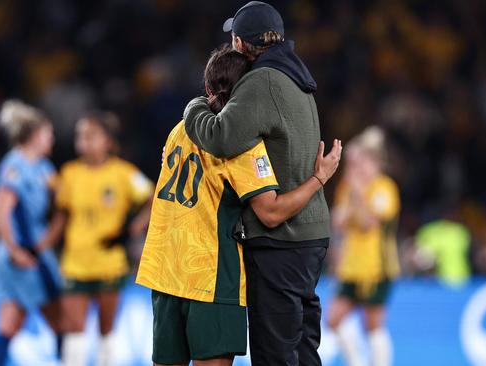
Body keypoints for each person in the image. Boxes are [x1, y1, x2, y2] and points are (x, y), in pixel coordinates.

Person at [136, 44, 341, 366]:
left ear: (207, 87)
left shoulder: (180, 129)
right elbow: (270, 213)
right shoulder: (240, 143)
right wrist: (319, 178)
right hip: (210, 276)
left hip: (164, 269)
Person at [183, 3, 332, 364]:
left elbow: (221, 136)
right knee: (302, 347)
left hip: (282, 237)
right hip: (309, 233)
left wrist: (193, 109)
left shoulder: (261, 80)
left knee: (274, 352)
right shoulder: (298, 76)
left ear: (239, 41)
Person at [48, 112, 154, 366]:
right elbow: (60, 218)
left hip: (109, 262)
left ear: (107, 141)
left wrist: (134, 228)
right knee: (74, 331)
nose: (83, 142)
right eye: (80, 136)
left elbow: (153, 198)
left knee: (107, 332)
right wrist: (43, 246)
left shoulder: (124, 173)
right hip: (75, 263)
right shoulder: (69, 173)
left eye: (90, 136)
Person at [0, 100, 63, 366]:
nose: (52, 138)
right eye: (48, 133)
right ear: (35, 135)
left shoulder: (44, 169)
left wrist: (49, 239)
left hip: (34, 251)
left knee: (11, 322)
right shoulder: (15, 166)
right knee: (59, 319)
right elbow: (0, 210)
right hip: (21, 255)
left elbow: (62, 210)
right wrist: (15, 250)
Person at [327, 127, 400, 366]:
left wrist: (358, 196)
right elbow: (338, 222)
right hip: (351, 267)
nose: (357, 168)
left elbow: (369, 223)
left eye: (362, 162)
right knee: (333, 319)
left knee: (373, 324)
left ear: (375, 162)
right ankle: (356, 362)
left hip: (377, 267)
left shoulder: (384, 188)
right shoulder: (348, 188)